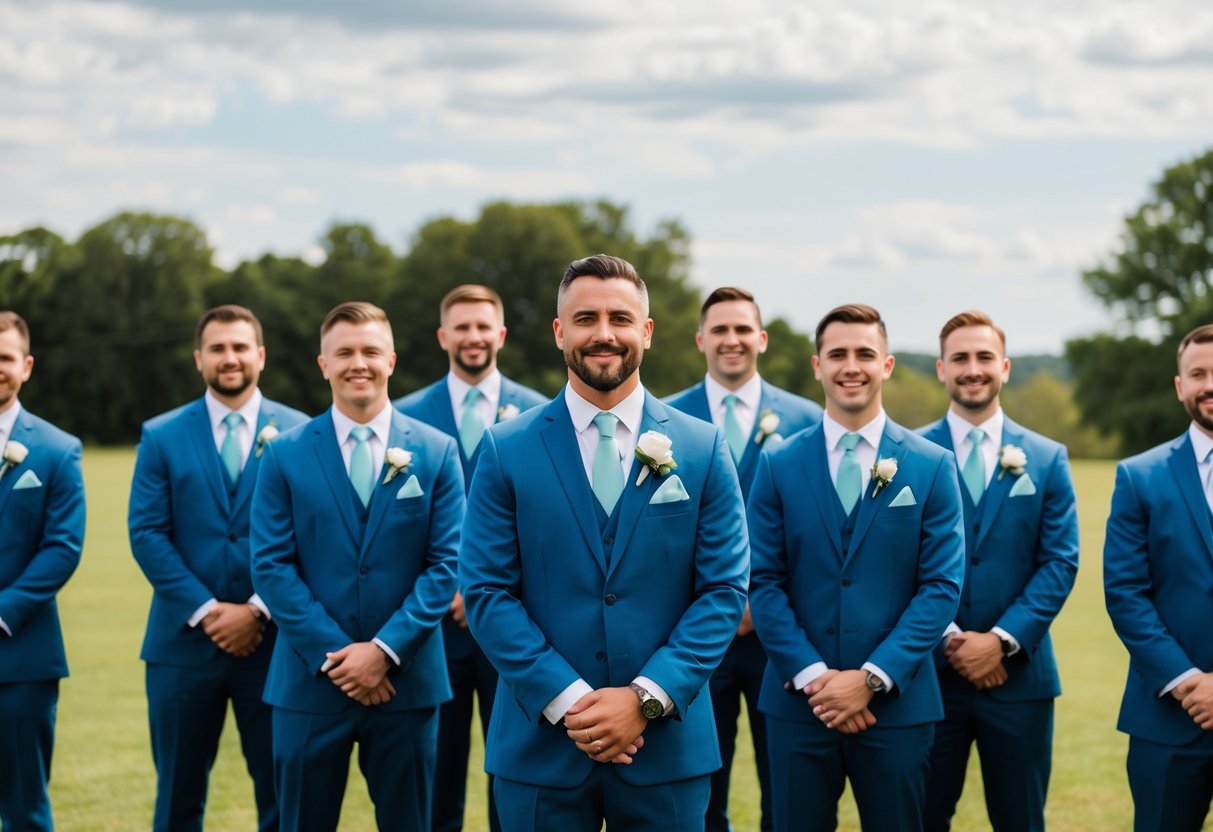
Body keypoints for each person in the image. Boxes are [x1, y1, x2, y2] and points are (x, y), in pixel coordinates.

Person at [460, 254, 749, 832]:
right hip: (540, 748)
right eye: (585, 318)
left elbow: (722, 591)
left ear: (645, 331)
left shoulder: (701, 447)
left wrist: (644, 699)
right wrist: (572, 705)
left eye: (620, 318)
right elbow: (487, 592)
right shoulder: (504, 448)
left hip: (666, 748)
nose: (604, 334)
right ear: (559, 331)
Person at [747, 303, 964, 832]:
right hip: (799, 705)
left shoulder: (931, 464)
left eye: (865, 354)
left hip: (898, 706)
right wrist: (816, 678)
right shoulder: (777, 464)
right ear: (817, 365)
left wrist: (872, 678)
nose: (852, 366)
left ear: (886, 365)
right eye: (837, 354)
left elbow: (940, 587)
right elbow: (763, 583)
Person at [251, 301, 464, 831]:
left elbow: (448, 564)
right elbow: (272, 566)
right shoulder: (284, 455)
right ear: (323, 364)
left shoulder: (437, 452)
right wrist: (342, 658)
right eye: (343, 352)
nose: (358, 363)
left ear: (391, 359)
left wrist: (385, 652)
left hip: (408, 682)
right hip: (309, 683)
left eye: (370, 351)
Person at [129, 305, 308, 832]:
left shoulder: (301, 432)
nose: (229, 358)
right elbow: (147, 534)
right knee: (178, 796)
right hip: (181, 647)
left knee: (281, 792)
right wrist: (209, 613)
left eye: (239, 347)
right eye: (217, 348)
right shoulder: (161, 435)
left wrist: (257, 609)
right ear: (198, 358)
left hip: (275, 646)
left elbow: (311, 538)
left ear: (261, 355)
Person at [665, 286, 822, 832]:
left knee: (788, 784)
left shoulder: (806, 418)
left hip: (785, 634)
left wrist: (761, 603)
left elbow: (819, 532)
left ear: (761, 338)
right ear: (701, 340)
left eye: (742, 329)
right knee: (700, 781)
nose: (731, 340)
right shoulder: (661, 422)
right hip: (693, 632)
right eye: (720, 330)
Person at [393, 284, 547, 832]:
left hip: (518, 624)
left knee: (515, 770)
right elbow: (397, 529)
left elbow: (548, 526)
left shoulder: (542, 415)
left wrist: (485, 590)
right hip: (433, 630)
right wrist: (451, 587)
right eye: (462, 327)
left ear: (500, 334)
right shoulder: (404, 417)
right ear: (443, 336)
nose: (473, 336)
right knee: (436, 776)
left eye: (484, 326)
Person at [918, 311, 1079, 832]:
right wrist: (949, 639)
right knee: (920, 817)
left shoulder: (1048, 459)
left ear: (1005, 367)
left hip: (1020, 678)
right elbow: (895, 563)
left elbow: (1060, 561)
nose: (973, 369)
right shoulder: (908, 456)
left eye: (984, 357)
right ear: (941, 369)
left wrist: (1002, 640)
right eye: (960, 358)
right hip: (928, 678)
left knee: (1021, 821)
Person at [1104, 322, 1213, 831]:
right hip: (1169, 717)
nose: (1209, 383)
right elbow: (1126, 593)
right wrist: (1189, 681)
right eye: (1198, 373)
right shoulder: (1139, 475)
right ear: (1180, 386)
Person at [0, 311, 86, 832]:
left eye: (4, 358)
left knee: (24, 809)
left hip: (20, 657)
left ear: (26, 366)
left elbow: (63, 546)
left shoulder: (57, 450)